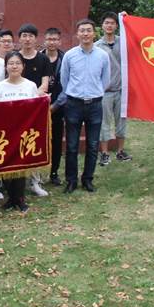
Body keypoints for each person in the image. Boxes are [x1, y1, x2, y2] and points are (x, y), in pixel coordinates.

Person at [60, 19, 110, 194]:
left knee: (93, 145)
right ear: (77, 34)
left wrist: (95, 92)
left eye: (89, 30)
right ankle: (71, 181)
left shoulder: (103, 56)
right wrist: (74, 94)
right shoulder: (70, 55)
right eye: (82, 30)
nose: (85, 33)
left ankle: (88, 179)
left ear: (94, 33)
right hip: (73, 104)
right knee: (72, 145)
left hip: (95, 105)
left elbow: (105, 80)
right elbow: (64, 80)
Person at [0, 51, 39, 212]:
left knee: (20, 165)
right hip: (5, 133)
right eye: (11, 63)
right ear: (6, 67)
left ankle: (19, 199)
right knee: (6, 165)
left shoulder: (30, 85)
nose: (14, 66)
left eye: (17, 63)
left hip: (24, 132)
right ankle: (10, 198)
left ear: (23, 66)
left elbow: (36, 109)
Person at [18, 23, 51, 197]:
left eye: (30, 36)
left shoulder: (43, 59)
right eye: (24, 35)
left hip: (35, 109)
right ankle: (14, 180)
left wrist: (31, 98)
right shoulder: (14, 57)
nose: (27, 39)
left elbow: (44, 84)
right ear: (19, 38)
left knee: (33, 142)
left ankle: (35, 181)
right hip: (16, 108)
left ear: (36, 38)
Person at [95, 13, 130, 166]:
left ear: (116, 26)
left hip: (121, 91)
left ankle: (120, 151)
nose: (109, 25)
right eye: (106, 23)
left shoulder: (124, 43)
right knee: (104, 123)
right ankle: (104, 153)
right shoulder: (97, 46)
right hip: (105, 92)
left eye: (112, 23)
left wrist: (126, 20)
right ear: (102, 25)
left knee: (121, 122)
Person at [43, 27, 66, 185]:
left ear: (59, 41)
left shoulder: (65, 59)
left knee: (56, 141)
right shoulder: (38, 58)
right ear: (44, 41)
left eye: (55, 39)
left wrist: (56, 105)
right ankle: (38, 174)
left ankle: (54, 172)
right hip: (39, 108)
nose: (52, 42)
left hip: (58, 106)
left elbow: (68, 85)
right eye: (49, 39)